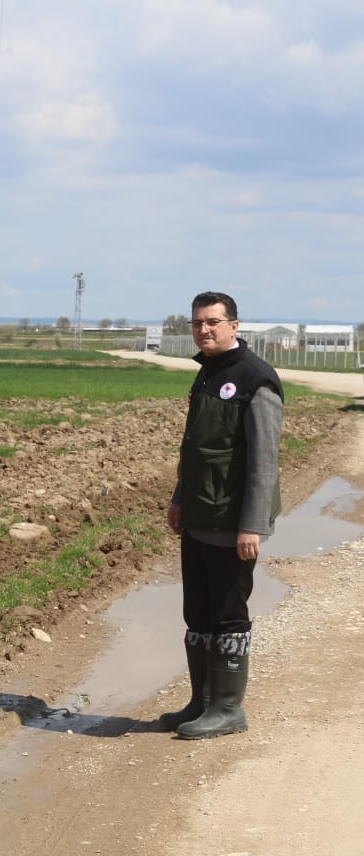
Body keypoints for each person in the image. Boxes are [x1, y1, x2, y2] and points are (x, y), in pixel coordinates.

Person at [159, 291, 283, 739]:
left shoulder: (255, 379)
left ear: (234, 325)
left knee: (228, 612)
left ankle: (229, 709)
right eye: (197, 323)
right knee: (198, 612)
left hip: (232, 522)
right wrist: (179, 498)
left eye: (212, 322)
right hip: (198, 515)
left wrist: (252, 525)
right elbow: (197, 449)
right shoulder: (207, 375)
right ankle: (202, 702)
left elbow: (264, 462)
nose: (204, 330)